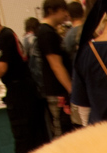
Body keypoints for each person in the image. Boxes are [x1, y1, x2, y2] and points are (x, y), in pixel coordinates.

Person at [0, 6, 48, 153]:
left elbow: (2, 68)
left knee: (24, 136)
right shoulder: (4, 35)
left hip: (20, 92)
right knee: (33, 133)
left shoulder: (4, 36)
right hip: (24, 90)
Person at [37, 0, 74, 138]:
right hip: (58, 93)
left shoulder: (50, 32)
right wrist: (71, 90)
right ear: (52, 11)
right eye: (63, 10)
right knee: (62, 133)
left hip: (59, 92)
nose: (66, 14)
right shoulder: (46, 33)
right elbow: (56, 65)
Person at [62, 1, 86, 69]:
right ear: (83, 12)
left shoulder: (69, 35)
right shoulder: (91, 29)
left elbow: (67, 54)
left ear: (69, 15)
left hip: (79, 69)